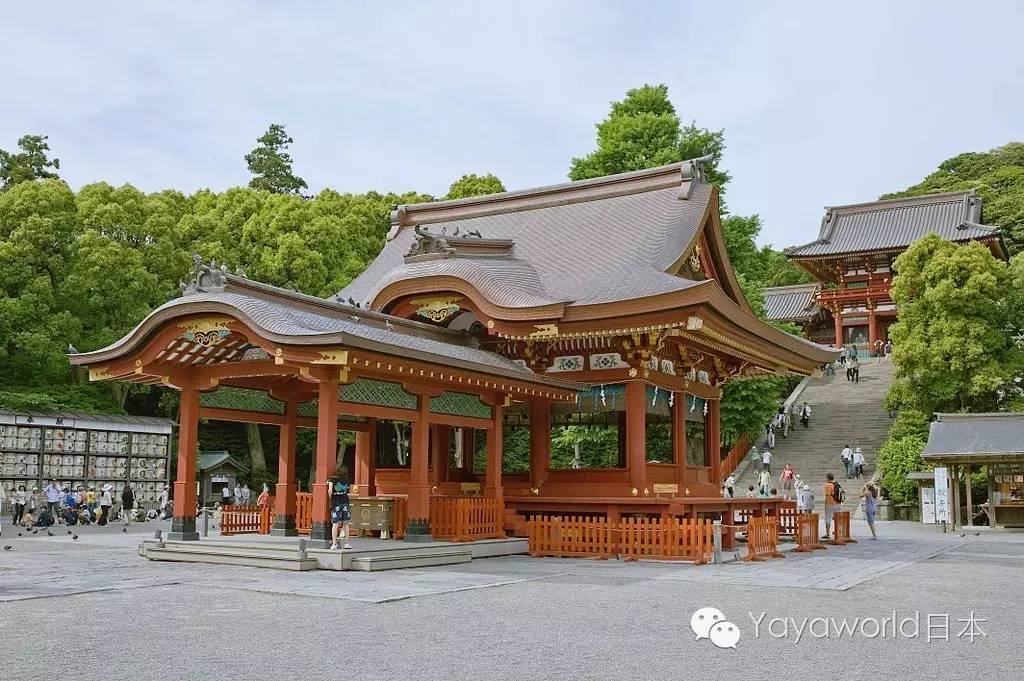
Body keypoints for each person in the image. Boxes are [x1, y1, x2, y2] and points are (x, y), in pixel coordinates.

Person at [327, 465, 352, 550]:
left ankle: (334, 544)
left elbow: (330, 491)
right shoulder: (346, 480)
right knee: (346, 523)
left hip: (336, 502)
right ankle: (347, 543)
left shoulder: (332, 480)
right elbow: (347, 490)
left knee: (335, 523)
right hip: (345, 501)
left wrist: (332, 498)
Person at [823, 473, 844, 540]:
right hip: (839, 503)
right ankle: (837, 531)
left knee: (828, 519)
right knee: (837, 518)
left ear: (828, 478)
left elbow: (827, 495)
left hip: (831, 504)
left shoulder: (828, 485)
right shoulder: (837, 484)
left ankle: (827, 533)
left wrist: (825, 504)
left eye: (826, 477)